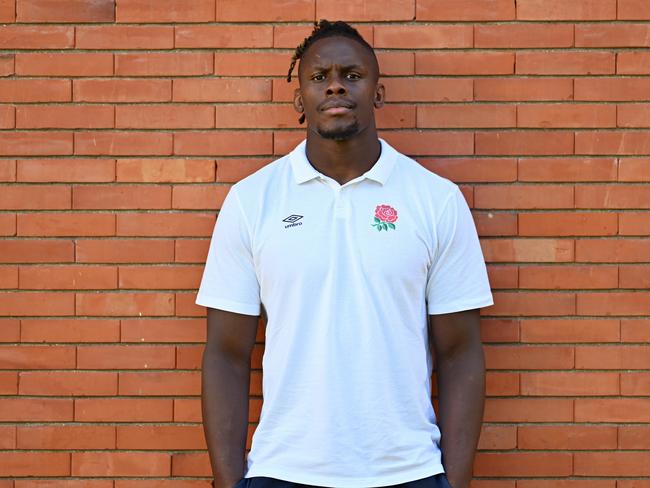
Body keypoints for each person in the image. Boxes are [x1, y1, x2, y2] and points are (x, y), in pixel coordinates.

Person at [197, 20, 493, 488]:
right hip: (283, 471)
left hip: (407, 471)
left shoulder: (434, 200)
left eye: (352, 75)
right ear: (301, 100)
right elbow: (226, 353)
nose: (335, 84)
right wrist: (230, 483)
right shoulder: (252, 201)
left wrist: (452, 484)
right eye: (319, 77)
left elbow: (460, 352)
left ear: (378, 92)